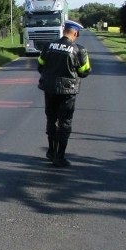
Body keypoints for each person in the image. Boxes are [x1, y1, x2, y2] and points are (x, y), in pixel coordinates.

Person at [37, 19, 91, 167]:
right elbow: (84, 72)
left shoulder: (48, 46)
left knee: (51, 119)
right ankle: (59, 157)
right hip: (67, 91)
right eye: (77, 35)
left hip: (49, 89)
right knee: (65, 122)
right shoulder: (79, 50)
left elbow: (40, 66)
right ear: (75, 33)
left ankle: (50, 151)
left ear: (64, 31)